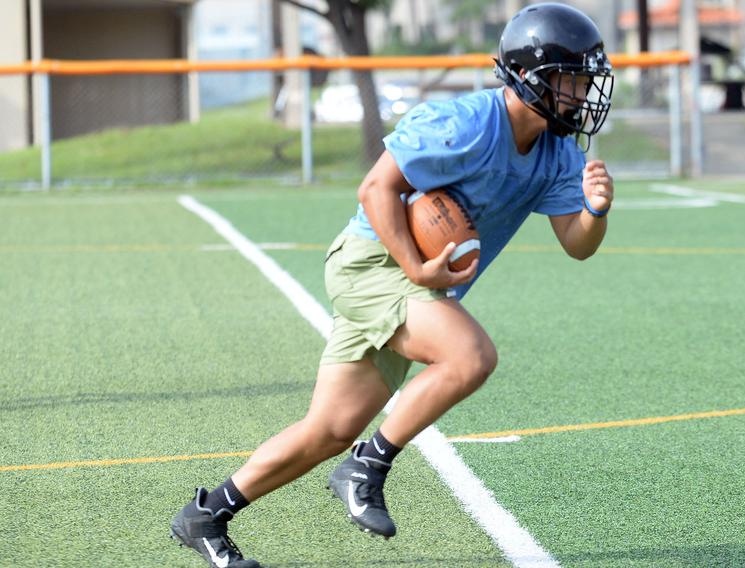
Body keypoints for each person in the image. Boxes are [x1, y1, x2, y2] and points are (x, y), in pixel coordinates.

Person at [169, 4, 614, 567]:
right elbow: (376, 188)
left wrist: (595, 210)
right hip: (373, 263)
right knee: (470, 356)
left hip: (413, 283)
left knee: (328, 429)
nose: (581, 94)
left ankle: (207, 515)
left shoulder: (556, 153)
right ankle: (368, 465)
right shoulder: (469, 122)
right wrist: (416, 268)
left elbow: (576, 244)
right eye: (571, 79)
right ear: (531, 77)